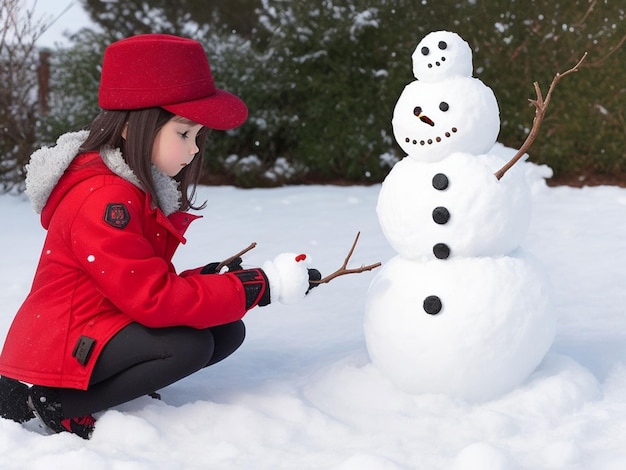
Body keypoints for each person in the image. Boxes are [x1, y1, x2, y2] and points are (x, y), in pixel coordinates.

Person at [0, 34, 320, 439]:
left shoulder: (132, 187)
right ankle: (59, 405)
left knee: (225, 330)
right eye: (183, 134)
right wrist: (257, 286)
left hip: (96, 323)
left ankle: (95, 391)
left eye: (199, 137)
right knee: (189, 347)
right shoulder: (104, 199)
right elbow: (153, 300)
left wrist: (214, 278)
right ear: (134, 126)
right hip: (60, 343)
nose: (193, 151)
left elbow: (142, 283)